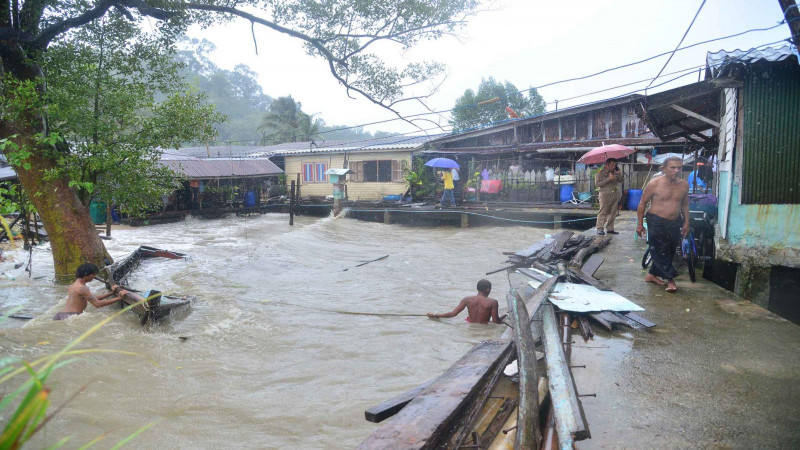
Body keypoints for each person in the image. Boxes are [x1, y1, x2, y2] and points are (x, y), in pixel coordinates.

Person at [637, 157, 690, 293]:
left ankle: (651, 275)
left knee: (671, 249)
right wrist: (639, 224)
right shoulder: (654, 184)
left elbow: (684, 204)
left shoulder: (684, 184)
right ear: (663, 169)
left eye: (679, 167)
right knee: (660, 251)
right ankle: (670, 280)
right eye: (673, 167)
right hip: (656, 221)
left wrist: (686, 223)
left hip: (674, 221)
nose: (677, 170)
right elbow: (642, 204)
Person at [53, 263, 128, 320]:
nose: (94, 277)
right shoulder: (82, 288)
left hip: (60, 315)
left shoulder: (73, 285)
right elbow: (97, 304)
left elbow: (92, 298)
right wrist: (119, 298)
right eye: (93, 274)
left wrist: (112, 293)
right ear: (86, 274)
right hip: (70, 316)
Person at [427, 279, 507, 324]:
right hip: (484, 329)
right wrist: (504, 317)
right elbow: (495, 322)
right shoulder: (493, 302)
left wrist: (435, 315)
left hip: (470, 328)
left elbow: (453, 314)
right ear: (488, 289)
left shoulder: (467, 300)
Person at [595, 157, 622, 235]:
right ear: (607, 165)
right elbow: (597, 184)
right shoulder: (600, 173)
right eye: (612, 165)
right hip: (604, 194)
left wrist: (619, 174)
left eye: (615, 165)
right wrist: (608, 179)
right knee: (603, 211)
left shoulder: (615, 173)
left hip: (614, 194)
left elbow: (621, 180)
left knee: (613, 212)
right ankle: (600, 228)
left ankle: (610, 228)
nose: (614, 166)